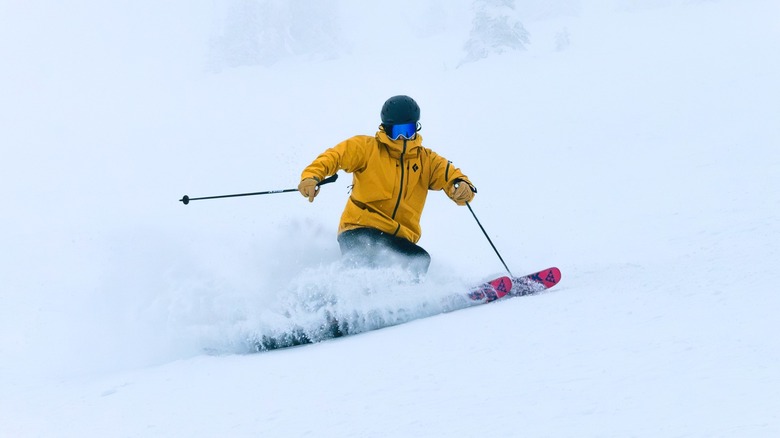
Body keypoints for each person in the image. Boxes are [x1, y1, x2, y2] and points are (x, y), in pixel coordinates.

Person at [297, 95, 476, 277]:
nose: (402, 137)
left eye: (408, 130)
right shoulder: (367, 149)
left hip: (399, 238)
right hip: (359, 228)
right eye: (397, 131)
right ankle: (341, 294)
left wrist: (462, 187)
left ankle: (399, 299)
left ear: (416, 127)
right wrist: (311, 177)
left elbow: (451, 176)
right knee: (368, 258)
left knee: (418, 260)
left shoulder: (427, 161)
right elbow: (334, 157)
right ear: (386, 128)